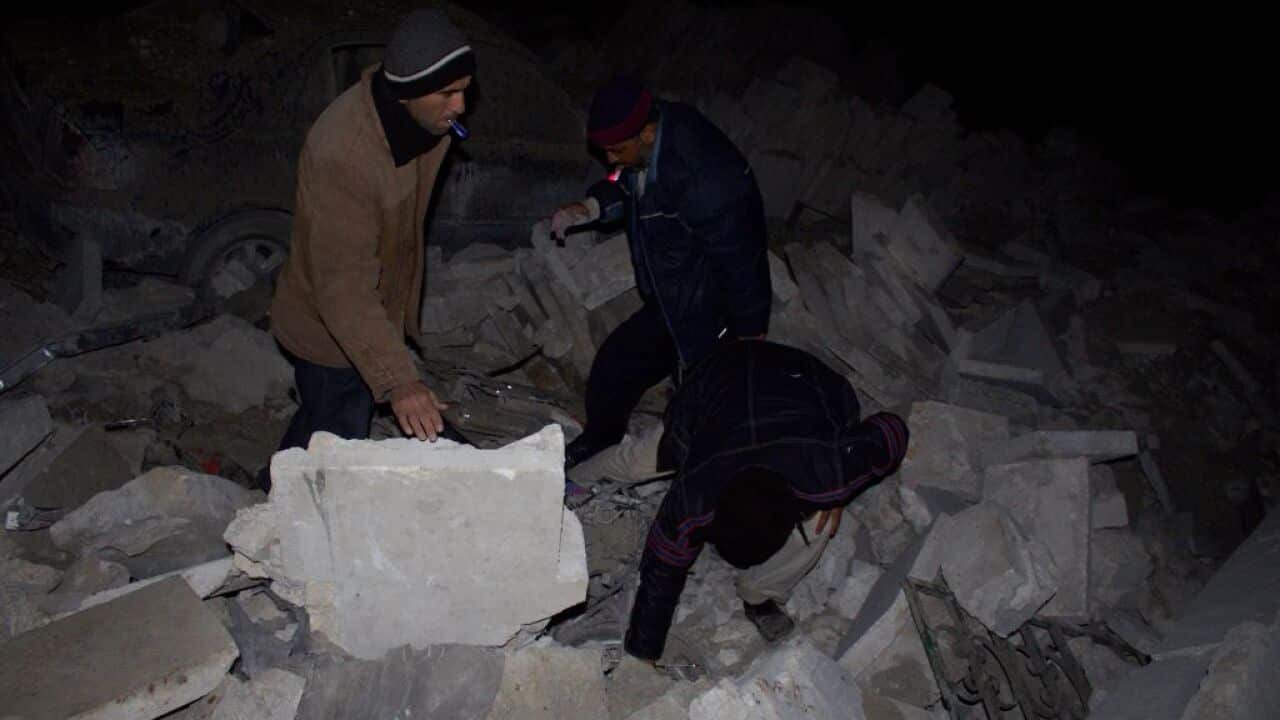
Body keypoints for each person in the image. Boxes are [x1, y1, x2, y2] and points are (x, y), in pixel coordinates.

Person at [591, 339, 909, 661]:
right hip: (721, 375)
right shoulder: (697, 489)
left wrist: (838, 492)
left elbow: (894, 430)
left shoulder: (825, 466)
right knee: (640, 460)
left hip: (807, 380)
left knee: (820, 526)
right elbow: (663, 565)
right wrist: (644, 652)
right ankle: (573, 479)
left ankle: (758, 596)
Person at [265, 9, 473, 478]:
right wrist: (399, 381)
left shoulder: (417, 120)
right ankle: (290, 504)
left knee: (320, 419)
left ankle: (274, 481)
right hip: (330, 332)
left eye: (464, 89)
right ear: (408, 93)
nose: (461, 106)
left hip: (368, 316)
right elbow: (344, 289)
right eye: (447, 93)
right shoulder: (345, 155)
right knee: (339, 441)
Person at [547, 76, 772, 473]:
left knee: (696, 402)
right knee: (613, 368)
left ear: (647, 133)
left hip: (710, 310)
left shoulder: (706, 175)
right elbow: (622, 179)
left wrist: (750, 332)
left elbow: (742, 258)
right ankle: (601, 439)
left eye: (616, 149)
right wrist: (590, 206)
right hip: (672, 298)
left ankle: (695, 474)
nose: (609, 159)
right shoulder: (644, 147)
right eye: (604, 151)